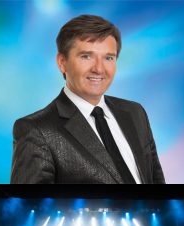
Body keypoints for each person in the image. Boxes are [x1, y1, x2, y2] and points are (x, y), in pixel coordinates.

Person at [10, 14, 164, 184]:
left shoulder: (135, 113)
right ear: (62, 62)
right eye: (86, 56)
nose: (99, 69)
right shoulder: (36, 130)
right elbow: (33, 205)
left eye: (108, 58)